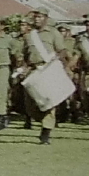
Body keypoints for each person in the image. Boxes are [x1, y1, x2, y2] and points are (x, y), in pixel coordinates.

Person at [21, 9, 67, 145]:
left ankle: (46, 132)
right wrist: (24, 67)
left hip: (48, 70)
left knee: (48, 102)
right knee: (30, 105)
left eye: (40, 17)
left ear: (46, 18)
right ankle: (44, 123)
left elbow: (62, 50)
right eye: (35, 17)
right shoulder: (29, 35)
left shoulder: (53, 33)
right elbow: (25, 54)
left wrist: (55, 61)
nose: (37, 19)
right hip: (33, 71)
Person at [0, 18, 17, 130]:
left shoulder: (8, 39)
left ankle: (1, 117)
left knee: (1, 94)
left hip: (3, 68)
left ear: (2, 27)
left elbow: (15, 54)